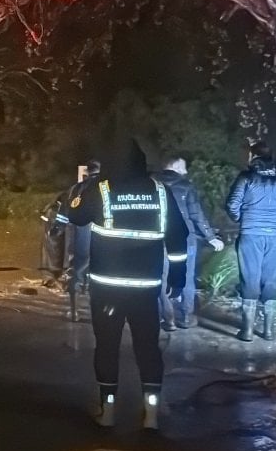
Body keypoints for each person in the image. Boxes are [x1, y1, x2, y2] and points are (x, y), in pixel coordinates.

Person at [60, 138, 188, 430]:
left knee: (106, 346)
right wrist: (178, 277)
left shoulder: (101, 189)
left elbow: (75, 215)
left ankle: (107, 412)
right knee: (148, 348)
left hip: (107, 289)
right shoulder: (160, 191)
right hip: (145, 289)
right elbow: (178, 236)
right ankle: (152, 415)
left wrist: (78, 192)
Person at [226, 141, 276, 342]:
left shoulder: (246, 178)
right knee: (272, 278)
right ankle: (269, 330)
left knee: (249, 278)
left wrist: (240, 218)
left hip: (251, 234)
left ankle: (248, 331)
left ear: (253, 157)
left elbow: (232, 204)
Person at [153, 156, 225, 330]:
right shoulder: (186, 186)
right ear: (175, 167)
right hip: (185, 240)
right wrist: (211, 237)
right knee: (186, 277)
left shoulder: (151, 185)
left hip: (159, 240)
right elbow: (196, 215)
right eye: (183, 168)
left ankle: (168, 319)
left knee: (160, 279)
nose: (185, 172)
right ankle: (186, 317)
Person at [51, 159, 101, 322]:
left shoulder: (75, 189)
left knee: (76, 270)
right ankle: (99, 313)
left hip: (81, 234)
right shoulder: (107, 187)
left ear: (86, 173)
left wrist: (57, 228)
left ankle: (74, 312)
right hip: (103, 235)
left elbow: (64, 211)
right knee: (101, 275)